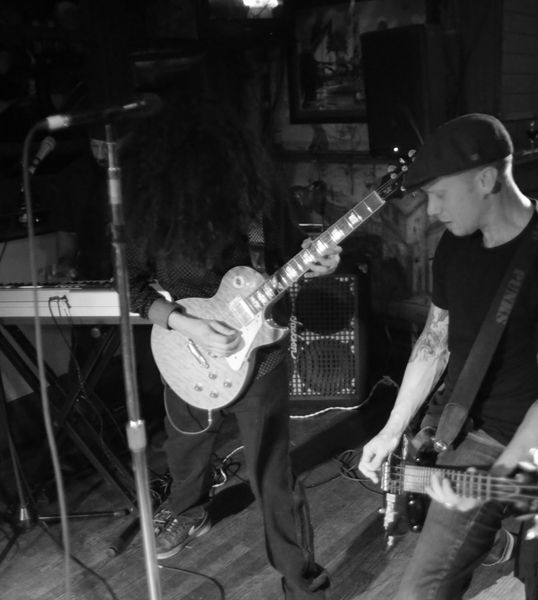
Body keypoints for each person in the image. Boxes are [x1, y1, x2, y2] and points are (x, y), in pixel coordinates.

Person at [357, 114, 538, 600]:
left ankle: (496, 526)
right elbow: (433, 344)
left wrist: (490, 481)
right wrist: (392, 429)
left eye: (439, 195)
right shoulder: (456, 244)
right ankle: (497, 540)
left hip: (505, 436)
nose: (431, 212)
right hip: (454, 416)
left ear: (487, 179)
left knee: (418, 593)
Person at [123, 90, 337, 599]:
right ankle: (187, 512)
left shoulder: (258, 199)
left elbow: (289, 256)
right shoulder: (155, 210)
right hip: (184, 348)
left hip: (259, 356)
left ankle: (299, 576)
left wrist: (318, 262)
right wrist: (185, 325)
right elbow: (129, 284)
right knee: (185, 445)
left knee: (272, 470)